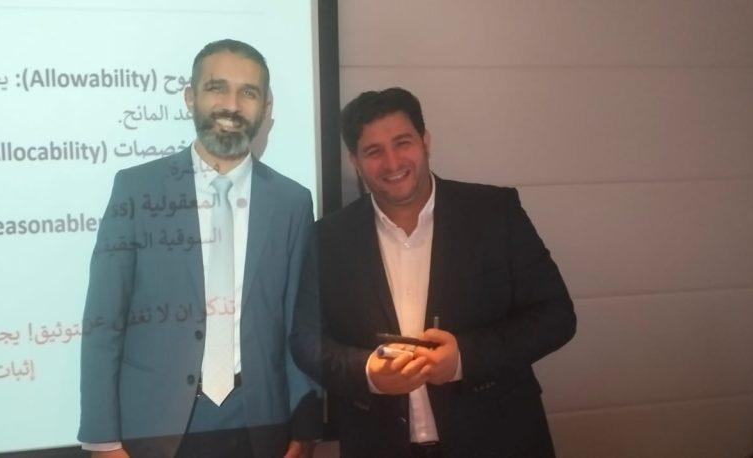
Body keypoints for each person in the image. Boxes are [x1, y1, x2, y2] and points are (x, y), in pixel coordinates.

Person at [291, 87, 576, 457]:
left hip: (499, 438)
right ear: (355, 161)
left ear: (425, 141)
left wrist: (464, 358)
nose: (392, 162)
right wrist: (367, 372)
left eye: (403, 143)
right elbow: (307, 340)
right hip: (379, 445)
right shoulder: (327, 238)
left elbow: (556, 316)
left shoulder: (495, 213)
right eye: (373, 151)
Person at [79, 39, 319, 458]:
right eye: (216, 87)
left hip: (261, 426)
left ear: (266, 107)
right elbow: (104, 321)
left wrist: (305, 430)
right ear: (191, 96)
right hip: (155, 428)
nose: (232, 105)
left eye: (248, 92)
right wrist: (103, 440)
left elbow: (301, 327)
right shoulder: (136, 189)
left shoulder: (292, 202)